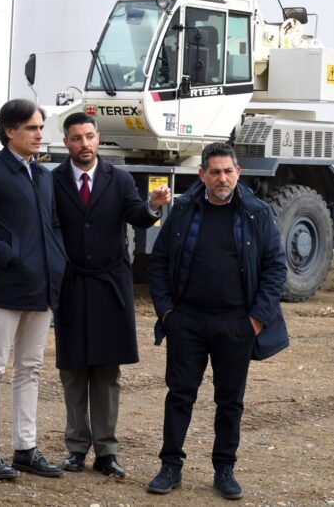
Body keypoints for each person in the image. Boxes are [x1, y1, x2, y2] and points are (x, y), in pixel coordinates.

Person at [146, 142, 289, 500]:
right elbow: (159, 263)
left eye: (228, 171)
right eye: (214, 172)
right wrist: (167, 314)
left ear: (238, 173)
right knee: (180, 395)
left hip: (236, 325)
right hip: (187, 323)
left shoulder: (257, 213)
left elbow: (275, 269)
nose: (222, 178)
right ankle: (170, 466)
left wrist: (255, 321)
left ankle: (224, 469)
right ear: (202, 175)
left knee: (230, 401)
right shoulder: (182, 211)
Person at [51, 112, 172, 479]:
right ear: (67, 142)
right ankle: (75, 449)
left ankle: (106, 451)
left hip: (109, 286)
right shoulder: (52, 181)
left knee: (106, 370)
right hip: (71, 283)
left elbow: (137, 216)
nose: (84, 144)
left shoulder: (118, 179)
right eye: (76, 138)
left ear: (98, 138)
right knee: (72, 369)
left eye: (89, 136)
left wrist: (153, 205)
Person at [0, 99, 67, 481]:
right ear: (10, 131)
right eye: (33, 128)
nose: (40, 134)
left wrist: (57, 262)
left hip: (42, 288)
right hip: (5, 286)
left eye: (41, 128)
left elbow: (53, 225)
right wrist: (10, 256)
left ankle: (26, 448)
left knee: (30, 369)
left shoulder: (44, 177)